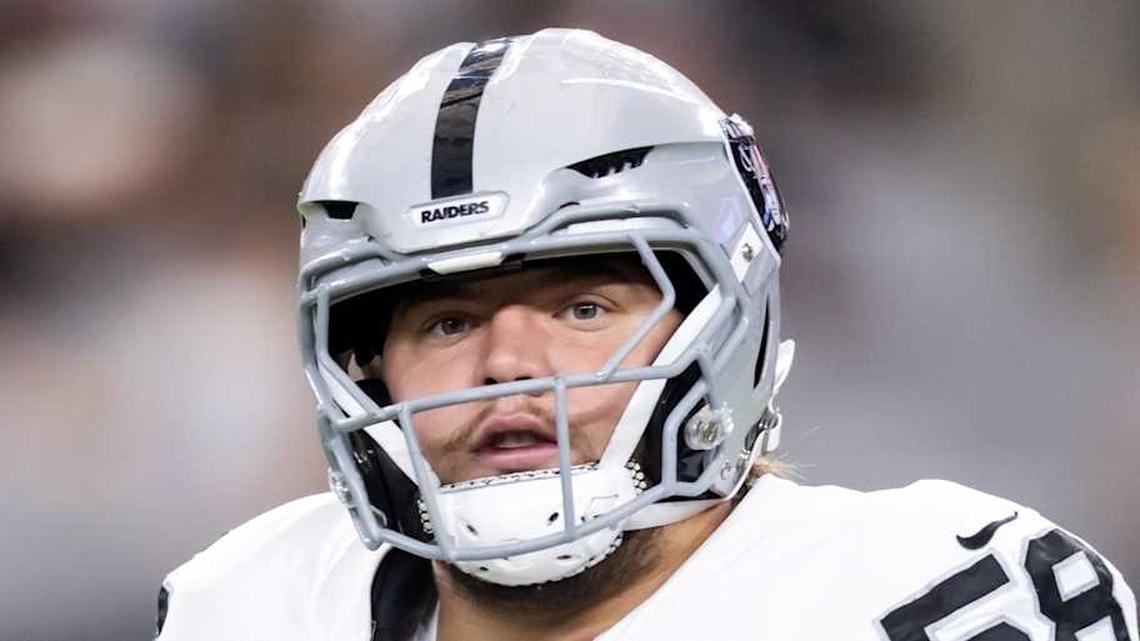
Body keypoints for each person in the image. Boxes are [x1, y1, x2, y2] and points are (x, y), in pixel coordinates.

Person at [156, 28, 1137, 641]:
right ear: (368, 368)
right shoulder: (247, 605)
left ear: (724, 319)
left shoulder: (933, 593)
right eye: (447, 318)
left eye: (583, 308)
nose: (507, 363)